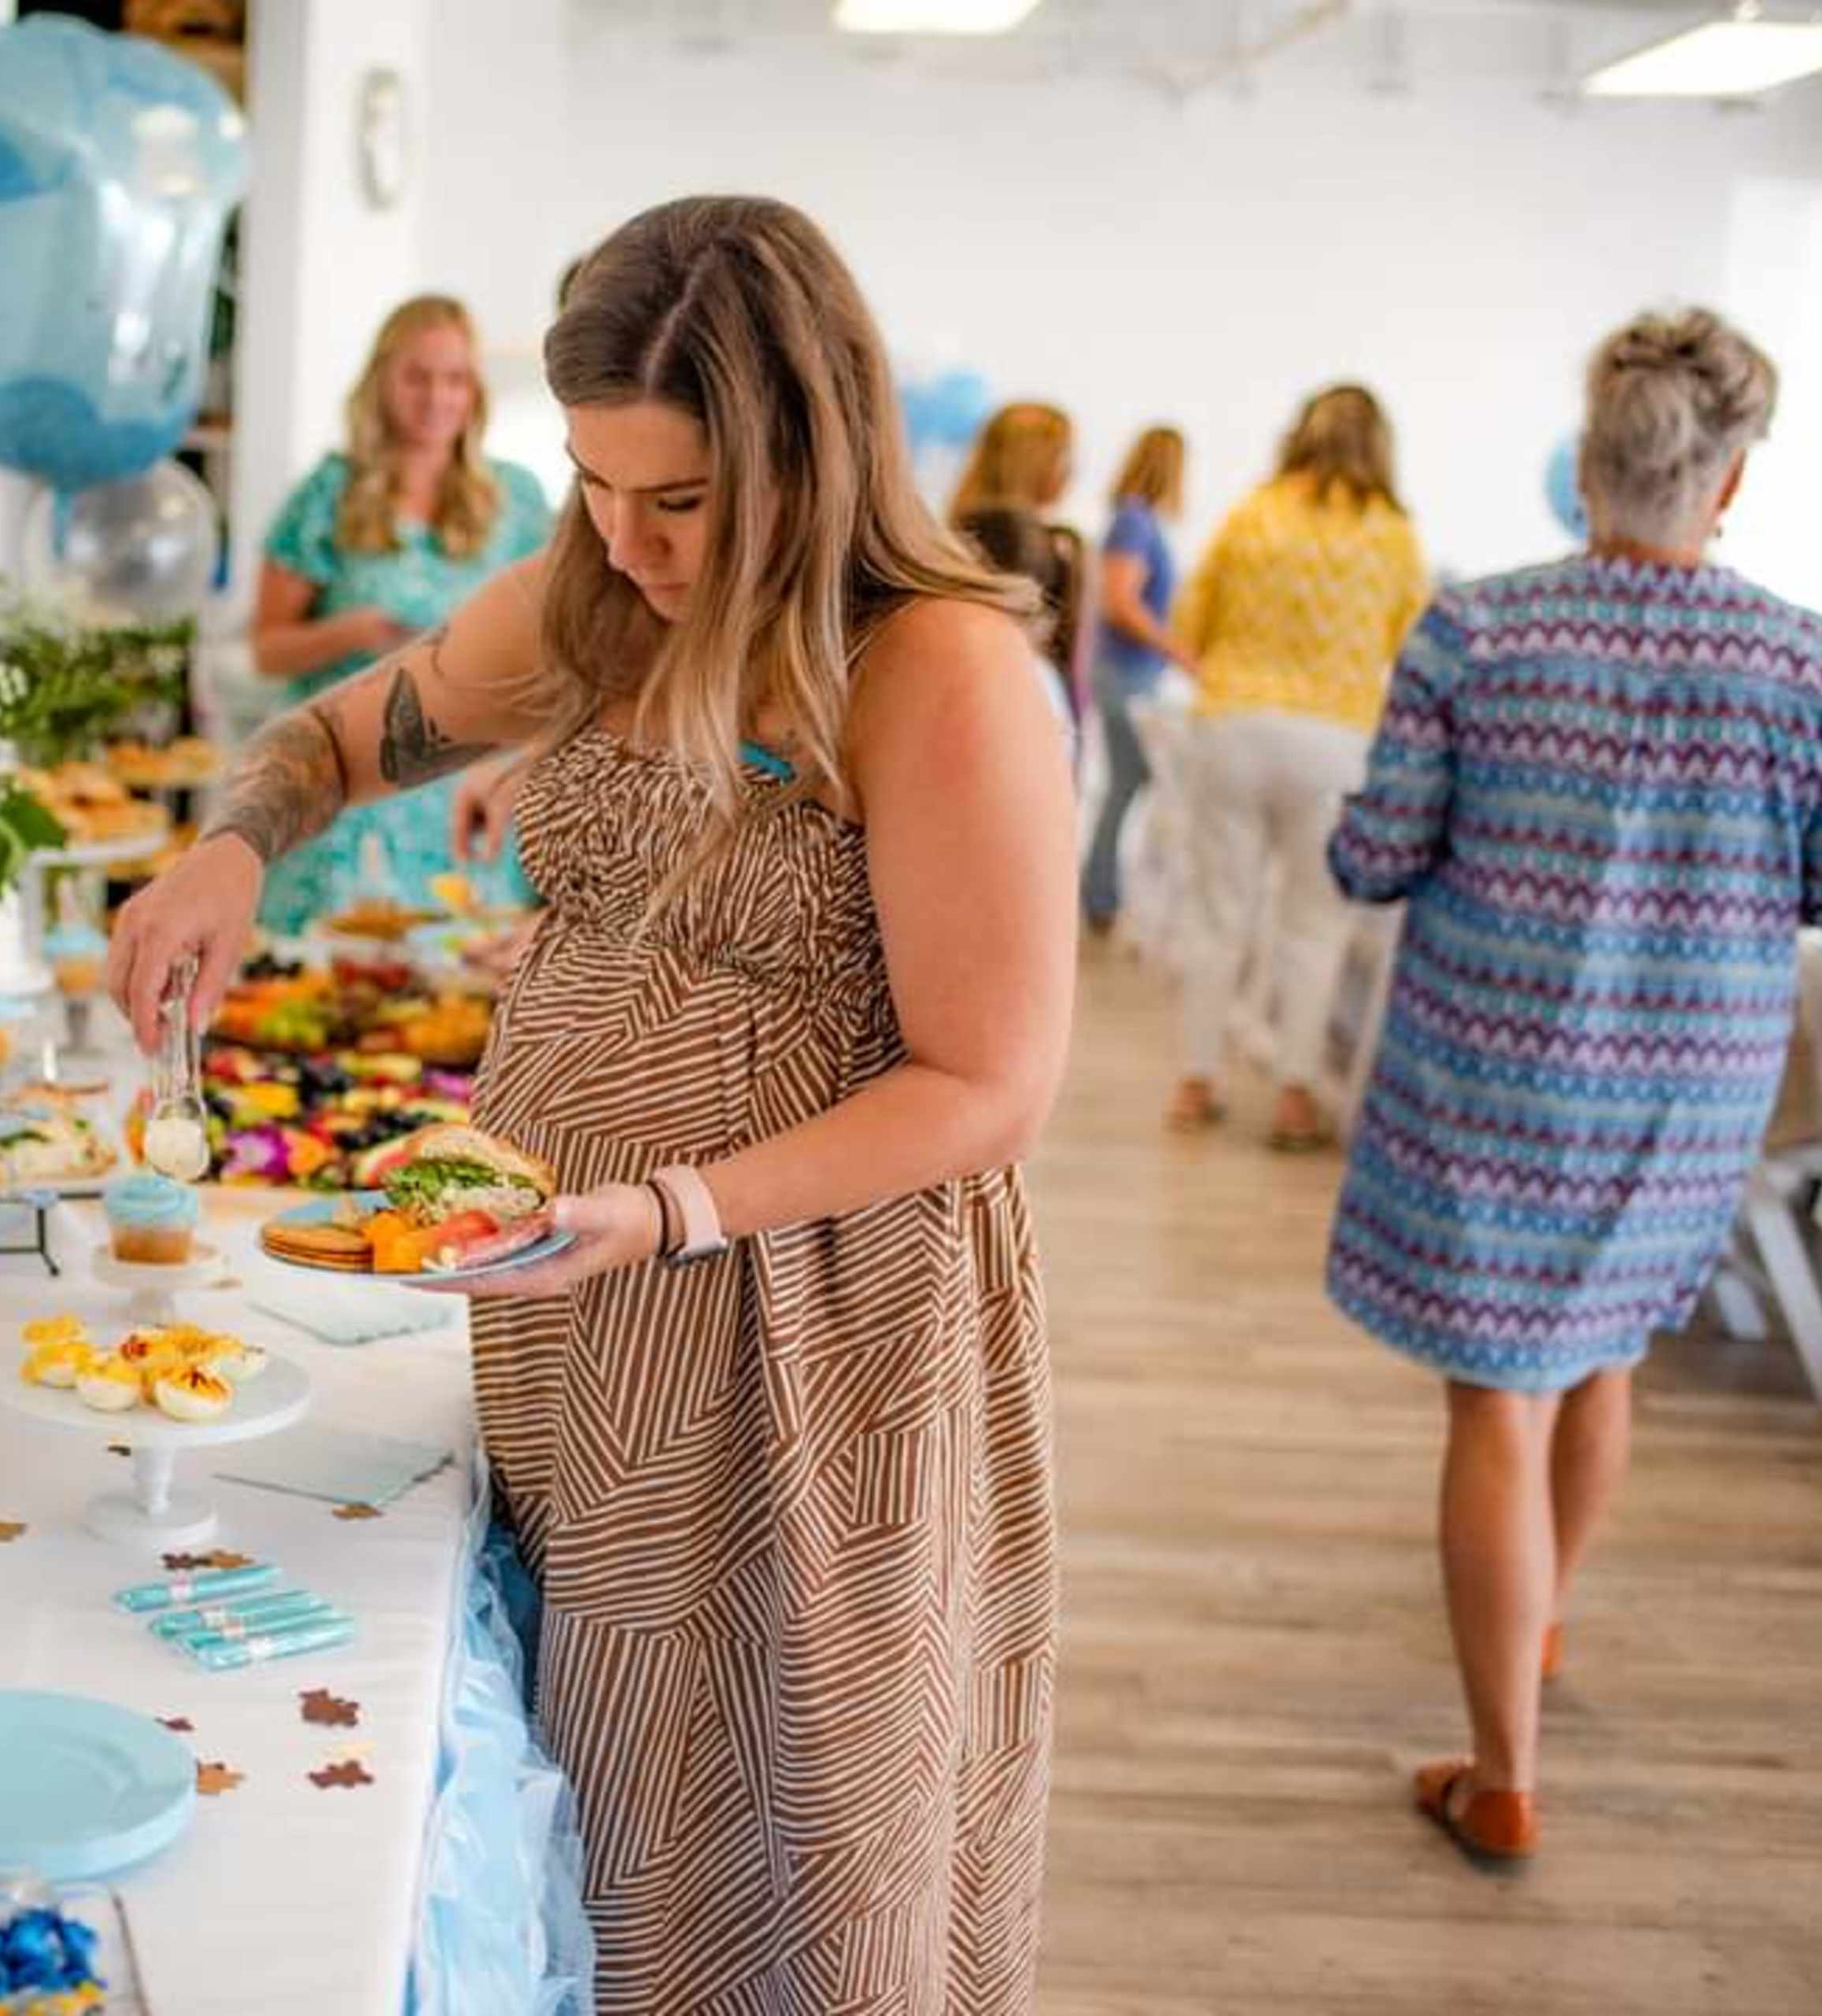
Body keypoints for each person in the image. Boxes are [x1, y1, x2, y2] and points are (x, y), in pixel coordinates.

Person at [113, 195, 1071, 2012]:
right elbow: (327, 736)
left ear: (805, 450)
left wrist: (672, 1209)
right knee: (594, 1795)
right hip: (585, 1326)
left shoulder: (928, 667)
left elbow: (989, 1086)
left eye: (681, 501)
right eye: (593, 482)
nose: (626, 540)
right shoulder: (594, 602)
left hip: (799, 1346)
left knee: (776, 1823)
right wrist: (230, 851)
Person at [1323, 309, 1822, 1862]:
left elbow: (1374, 855)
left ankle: (1502, 1771)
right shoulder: (1813, 661)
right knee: (1602, 1362)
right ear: (1725, 484)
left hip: (1491, 1075)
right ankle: (1545, 1615)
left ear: (1588, 468)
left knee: (1498, 1396)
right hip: (1688, 1088)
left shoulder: (1478, 633)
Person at [1167, 383, 1429, 1149]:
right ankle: (1292, 1094)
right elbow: (1408, 650)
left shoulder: (1255, 512)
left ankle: (1196, 1079)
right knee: (1315, 924)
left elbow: (1190, 621)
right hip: (1334, 737)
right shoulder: (1392, 533)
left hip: (1235, 723)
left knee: (1217, 910)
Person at [248, 294, 555, 934]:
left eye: (455, 379)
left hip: (464, 793)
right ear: (382, 381)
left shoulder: (517, 498)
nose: (436, 398)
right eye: (417, 377)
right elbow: (267, 648)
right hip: (348, 788)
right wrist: (351, 632)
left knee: (456, 997)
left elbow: (555, 647)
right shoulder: (329, 492)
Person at [1083, 425, 1192, 932]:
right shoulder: (1134, 521)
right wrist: (1178, 650)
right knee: (1131, 782)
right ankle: (1100, 895)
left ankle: (1103, 891)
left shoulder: (1138, 522)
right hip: (1126, 673)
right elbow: (1120, 601)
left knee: (1129, 782)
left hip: (1132, 673)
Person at [950, 400, 1089, 726]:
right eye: (1065, 454)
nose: (1072, 469)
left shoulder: (971, 527)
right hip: (1018, 706)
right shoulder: (1008, 534)